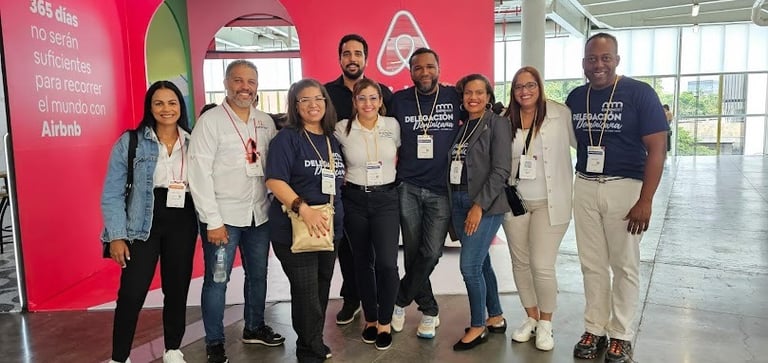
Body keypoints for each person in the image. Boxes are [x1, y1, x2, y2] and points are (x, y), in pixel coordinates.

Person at [566, 33, 668, 363]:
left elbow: (657, 149)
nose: (598, 65)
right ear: (583, 62)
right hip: (584, 185)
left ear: (617, 60)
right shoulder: (576, 97)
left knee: (623, 264)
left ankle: (621, 334)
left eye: (605, 58)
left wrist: (646, 200)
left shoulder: (639, 93)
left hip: (626, 188)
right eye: (592, 59)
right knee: (591, 263)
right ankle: (595, 328)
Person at [188, 60, 284, 363]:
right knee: (217, 281)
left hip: (259, 215)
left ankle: (254, 326)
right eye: (238, 80)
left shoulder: (265, 121)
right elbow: (198, 172)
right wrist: (212, 221)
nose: (245, 87)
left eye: (251, 81)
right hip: (222, 220)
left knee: (258, 276)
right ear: (227, 83)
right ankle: (214, 342)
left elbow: (273, 167)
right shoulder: (211, 121)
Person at [101, 80, 198, 363]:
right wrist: (116, 235)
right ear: (149, 107)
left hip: (183, 219)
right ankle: (120, 357)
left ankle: (173, 349)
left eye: (172, 103)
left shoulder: (193, 141)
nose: (166, 109)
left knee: (177, 289)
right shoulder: (130, 141)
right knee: (132, 292)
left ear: (181, 106)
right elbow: (112, 192)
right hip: (142, 222)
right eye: (159, 103)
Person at [265, 78, 345, 362]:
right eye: (305, 100)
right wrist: (304, 208)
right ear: (295, 106)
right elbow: (275, 180)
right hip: (295, 227)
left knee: (321, 287)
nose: (313, 105)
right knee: (306, 291)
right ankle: (308, 349)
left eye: (319, 99)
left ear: (326, 103)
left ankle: (313, 340)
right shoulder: (287, 139)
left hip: (327, 228)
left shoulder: (331, 139)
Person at [501, 66, 576, 351]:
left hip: (550, 202)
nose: (525, 91)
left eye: (530, 85)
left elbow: (583, 143)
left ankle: (546, 322)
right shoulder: (505, 118)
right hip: (516, 202)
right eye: (519, 86)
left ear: (539, 86)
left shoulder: (560, 114)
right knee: (519, 262)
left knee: (541, 265)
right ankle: (530, 317)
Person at [389, 47, 462, 339]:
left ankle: (399, 299)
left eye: (430, 66)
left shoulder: (454, 97)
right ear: (410, 72)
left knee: (430, 252)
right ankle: (430, 310)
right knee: (412, 252)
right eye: (418, 68)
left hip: (441, 189)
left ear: (439, 68)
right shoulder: (399, 101)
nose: (424, 73)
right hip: (407, 185)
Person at [324, 33, 393, 325]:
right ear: (340, 58)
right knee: (350, 252)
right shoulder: (326, 92)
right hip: (344, 187)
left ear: (366, 58)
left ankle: (382, 307)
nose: (352, 58)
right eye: (346, 53)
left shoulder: (384, 92)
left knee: (383, 258)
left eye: (357, 53)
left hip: (382, 192)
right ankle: (353, 299)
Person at [334, 79, 400, 350]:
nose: (368, 104)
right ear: (354, 101)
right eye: (362, 98)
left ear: (381, 101)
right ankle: (370, 319)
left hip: (386, 199)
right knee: (362, 262)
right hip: (355, 200)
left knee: (387, 263)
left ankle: (385, 320)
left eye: (373, 98)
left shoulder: (392, 126)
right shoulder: (342, 129)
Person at [448, 74, 511, 351]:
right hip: (459, 201)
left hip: (484, 205)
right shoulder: (463, 127)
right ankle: (495, 315)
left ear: (488, 96)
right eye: (468, 93)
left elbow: (501, 171)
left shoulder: (497, 124)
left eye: (479, 92)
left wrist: (478, 206)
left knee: (469, 266)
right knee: (482, 262)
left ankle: (477, 325)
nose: (473, 97)